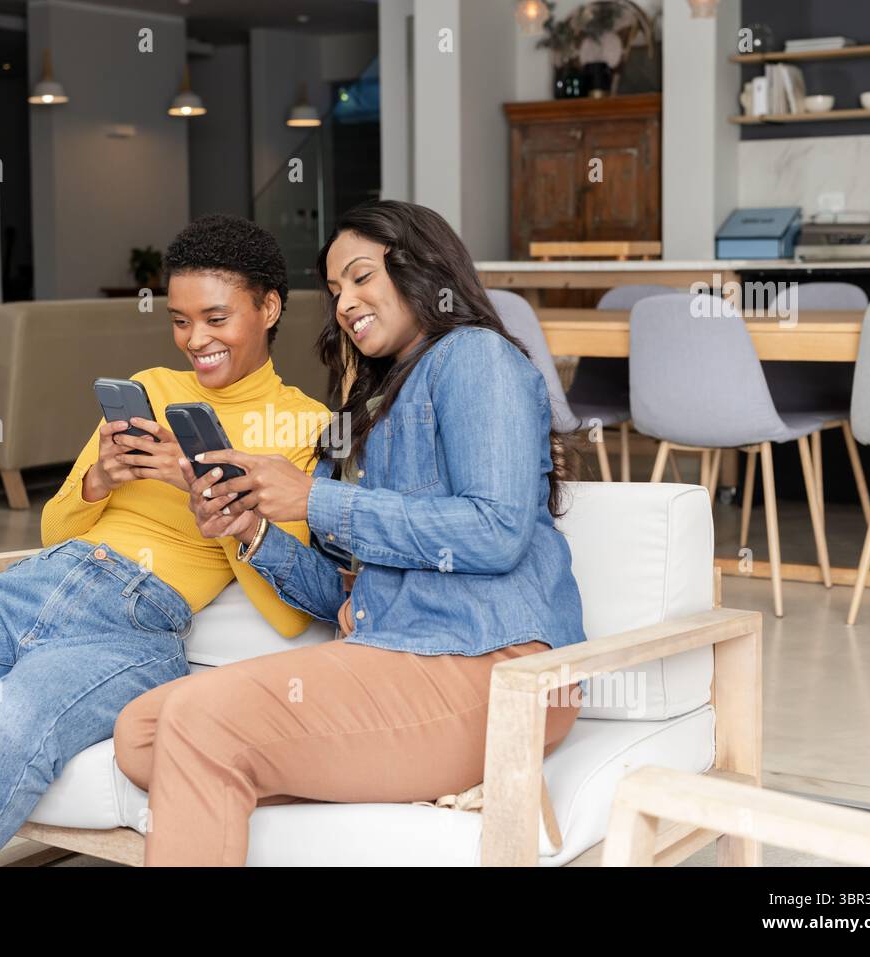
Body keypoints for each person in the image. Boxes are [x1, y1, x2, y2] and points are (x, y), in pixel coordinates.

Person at [0, 215, 330, 866]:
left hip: (135, 627)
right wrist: (97, 479)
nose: (195, 340)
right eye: (178, 319)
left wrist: (211, 496)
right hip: (35, 587)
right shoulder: (148, 388)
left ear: (270, 306)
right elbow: (52, 528)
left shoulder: (303, 425)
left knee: (10, 716)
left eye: (216, 318)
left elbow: (289, 612)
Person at [113, 199, 586, 866]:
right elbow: (340, 586)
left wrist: (314, 496)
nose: (345, 302)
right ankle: (366, 774)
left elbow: (497, 529)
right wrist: (253, 532)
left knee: (198, 725)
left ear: (424, 268)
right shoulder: (367, 408)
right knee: (142, 731)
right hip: (397, 655)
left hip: (497, 666)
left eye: (363, 277)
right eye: (335, 289)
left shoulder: (475, 358)